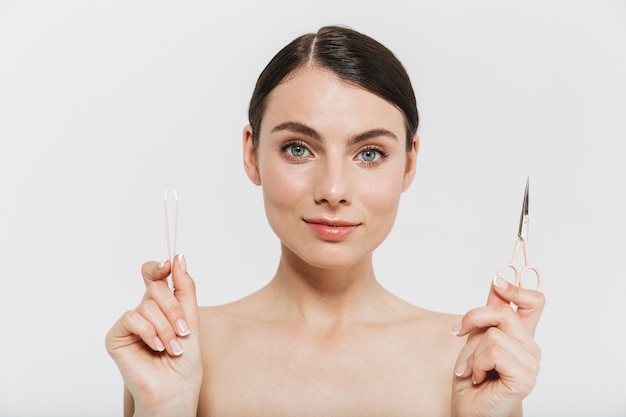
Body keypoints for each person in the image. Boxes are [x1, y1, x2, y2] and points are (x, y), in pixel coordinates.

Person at [106, 25, 544, 417]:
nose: (333, 189)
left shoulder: (467, 360)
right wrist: (167, 408)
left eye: (369, 153)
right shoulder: (180, 352)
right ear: (251, 153)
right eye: (298, 149)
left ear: (409, 165)